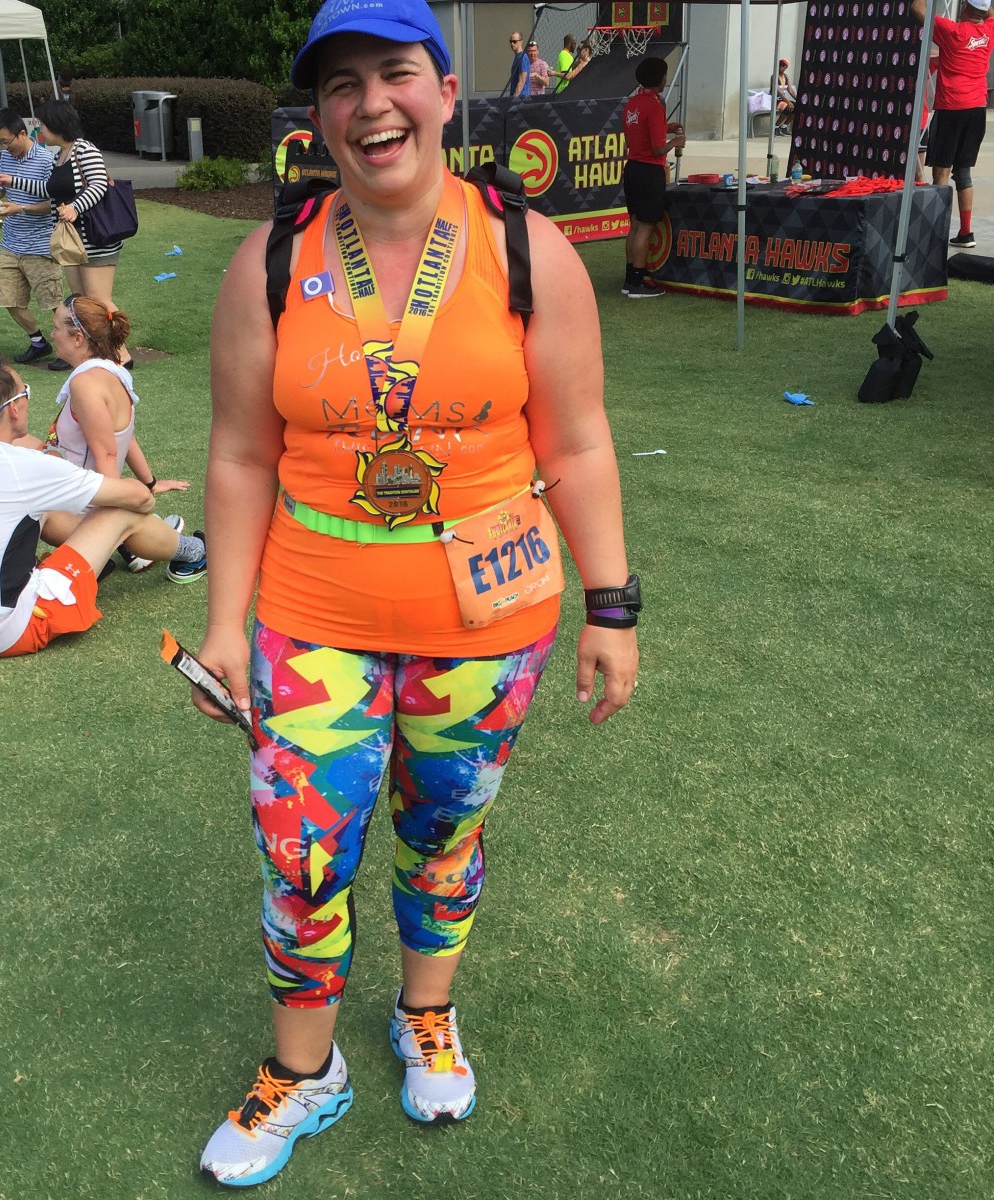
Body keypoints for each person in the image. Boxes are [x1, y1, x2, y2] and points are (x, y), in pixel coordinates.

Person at [193, 0, 638, 1186]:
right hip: (313, 615)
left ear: (445, 92)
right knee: (301, 853)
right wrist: (223, 625)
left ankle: (425, 1014)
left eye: (394, 74)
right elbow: (239, 454)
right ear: (319, 116)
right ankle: (305, 1072)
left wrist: (611, 605)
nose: (370, 105)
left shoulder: (528, 251)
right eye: (341, 85)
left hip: (487, 620)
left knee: (444, 836)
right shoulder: (271, 261)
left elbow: (579, 443)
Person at [0, 359, 161, 657]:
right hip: (4, 632)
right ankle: (191, 552)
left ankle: (110, 557)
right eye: (25, 392)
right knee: (119, 511)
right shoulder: (23, 466)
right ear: (13, 409)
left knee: (39, 510)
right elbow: (138, 497)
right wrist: (146, 493)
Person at [21, 295, 207, 581]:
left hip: (77, 504)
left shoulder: (86, 384)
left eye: (56, 328)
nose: (53, 334)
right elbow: (124, 438)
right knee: (2, 444)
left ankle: (172, 548)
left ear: (78, 338)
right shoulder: (113, 371)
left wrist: (110, 519)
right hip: (75, 490)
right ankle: (125, 541)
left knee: (29, 509)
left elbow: (107, 454)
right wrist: (150, 482)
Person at [0, 100, 127, 371]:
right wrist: (13, 181)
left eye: (43, 124)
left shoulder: (84, 149)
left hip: (96, 237)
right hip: (73, 240)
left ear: (57, 125)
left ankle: (121, 354)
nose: (40, 130)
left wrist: (75, 207)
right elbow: (49, 190)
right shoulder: (60, 155)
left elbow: (99, 184)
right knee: (81, 300)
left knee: (98, 300)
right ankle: (96, 353)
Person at [0, 109, 64, 365]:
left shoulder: (45, 160)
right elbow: (0, 191)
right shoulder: (7, 158)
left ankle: (69, 349)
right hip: (11, 243)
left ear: (22, 134)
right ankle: (38, 342)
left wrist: (20, 208)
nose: (4, 147)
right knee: (9, 298)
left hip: (40, 244)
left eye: (7, 141)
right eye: (0, 142)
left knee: (54, 302)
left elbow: (54, 203)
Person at [910, 0, 994, 248]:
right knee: (964, 171)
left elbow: (917, 9)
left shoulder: (952, 31)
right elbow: (989, 12)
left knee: (942, 171)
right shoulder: (989, 30)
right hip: (977, 108)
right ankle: (966, 233)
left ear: (965, 7)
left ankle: (937, 233)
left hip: (952, 106)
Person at [621, 56, 685, 300]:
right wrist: (675, 141)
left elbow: (633, 138)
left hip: (632, 168)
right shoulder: (655, 105)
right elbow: (658, 149)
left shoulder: (632, 103)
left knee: (635, 225)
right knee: (645, 228)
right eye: (665, 75)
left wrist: (666, 128)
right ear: (660, 78)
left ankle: (630, 279)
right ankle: (638, 283)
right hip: (649, 172)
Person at [771, 58, 797, 135]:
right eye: (780, 65)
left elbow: (790, 90)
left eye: (783, 65)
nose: (781, 67)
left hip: (782, 100)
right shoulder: (774, 76)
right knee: (788, 107)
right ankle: (775, 128)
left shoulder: (786, 77)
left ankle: (783, 127)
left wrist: (798, 99)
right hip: (774, 100)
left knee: (797, 107)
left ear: (786, 67)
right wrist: (788, 102)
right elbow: (779, 92)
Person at [507, 30, 530, 98]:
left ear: (521, 42)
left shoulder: (523, 58)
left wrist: (514, 98)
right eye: (510, 41)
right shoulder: (517, 56)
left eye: (514, 41)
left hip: (521, 97)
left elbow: (522, 81)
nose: (512, 44)